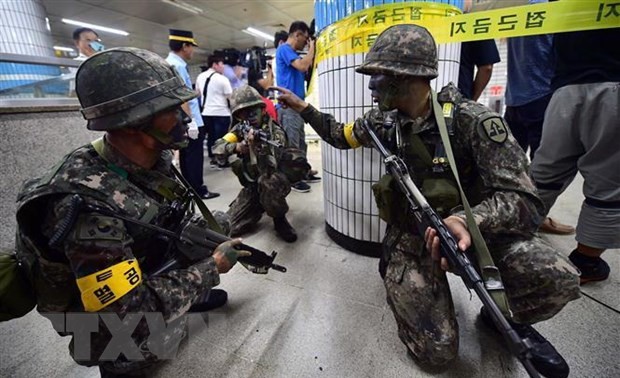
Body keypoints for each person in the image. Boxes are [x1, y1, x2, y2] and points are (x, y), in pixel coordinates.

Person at [276, 24, 580, 377]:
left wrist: (468, 222)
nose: (370, 85)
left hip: (478, 232)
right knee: (436, 354)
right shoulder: (381, 121)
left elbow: (524, 200)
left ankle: (503, 317)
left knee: (555, 277)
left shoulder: (472, 122)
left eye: (378, 76)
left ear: (408, 78)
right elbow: (340, 135)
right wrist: (302, 108)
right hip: (413, 235)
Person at [14, 47, 249, 376]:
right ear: (129, 125)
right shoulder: (88, 207)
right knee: (143, 345)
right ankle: (121, 363)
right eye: (170, 108)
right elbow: (128, 314)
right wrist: (211, 268)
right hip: (106, 313)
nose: (185, 116)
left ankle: (182, 298)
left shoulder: (152, 157)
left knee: (215, 226)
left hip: (140, 258)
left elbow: (171, 216)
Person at [531, 27, 620, 284]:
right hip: (611, 77)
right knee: (608, 179)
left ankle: (513, 231)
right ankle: (587, 261)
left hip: (566, 84)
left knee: (545, 172)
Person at [503, 0, 575, 236]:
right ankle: (531, 219)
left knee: (509, 165)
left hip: (515, 96)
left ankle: (510, 215)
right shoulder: (550, 9)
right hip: (542, 94)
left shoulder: (517, 7)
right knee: (548, 169)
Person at [214, 86, 303, 243]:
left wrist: (256, 148)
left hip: (274, 180)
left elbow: (272, 165)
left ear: (262, 110)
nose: (250, 115)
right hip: (252, 184)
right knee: (230, 228)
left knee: (268, 181)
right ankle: (259, 205)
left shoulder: (274, 133)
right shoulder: (239, 129)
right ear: (238, 116)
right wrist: (237, 147)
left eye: (253, 109)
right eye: (244, 112)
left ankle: (279, 219)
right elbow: (217, 147)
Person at [166, 29, 219, 200]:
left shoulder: (169, 63)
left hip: (180, 120)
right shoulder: (178, 65)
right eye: (191, 47)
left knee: (186, 157)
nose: (193, 51)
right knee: (194, 158)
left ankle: (190, 190)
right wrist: (191, 122)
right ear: (184, 46)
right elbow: (182, 99)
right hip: (191, 120)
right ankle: (199, 189)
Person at [276, 20, 320, 193]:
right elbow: (303, 66)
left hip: (297, 107)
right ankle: (293, 180)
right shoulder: (284, 49)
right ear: (297, 34)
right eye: (305, 38)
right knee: (293, 145)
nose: (305, 42)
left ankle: (303, 172)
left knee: (301, 143)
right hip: (289, 107)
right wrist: (312, 48)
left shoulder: (292, 53)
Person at [196, 54, 233, 169]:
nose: (223, 67)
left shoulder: (200, 77)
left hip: (206, 112)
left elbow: (197, 93)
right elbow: (230, 97)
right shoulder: (222, 79)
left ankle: (213, 159)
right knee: (222, 138)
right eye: (222, 64)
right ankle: (222, 160)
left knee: (211, 137)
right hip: (221, 112)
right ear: (215, 64)